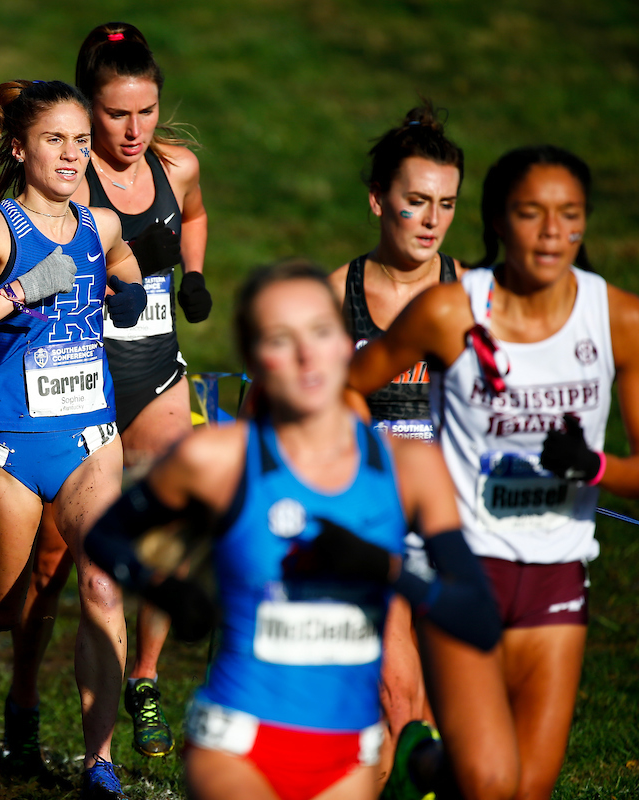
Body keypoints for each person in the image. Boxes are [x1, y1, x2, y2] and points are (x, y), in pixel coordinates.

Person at [84, 259, 520, 800]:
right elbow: (105, 536)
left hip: (349, 755)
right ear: (254, 360)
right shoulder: (216, 458)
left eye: (320, 332)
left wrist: (386, 570)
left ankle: (409, 762)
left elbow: (477, 619)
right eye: (280, 339)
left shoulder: (409, 467)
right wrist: (168, 592)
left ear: (347, 343)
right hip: (236, 745)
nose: (307, 355)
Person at [350, 145, 639, 800]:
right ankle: (426, 758)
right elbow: (348, 389)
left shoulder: (618, 318)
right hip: (464, 563)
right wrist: (399, 459)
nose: (552, 232)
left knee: (527, 788)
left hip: (558, 573)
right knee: (489, 781)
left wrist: (595, 466)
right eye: (531, 213)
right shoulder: (451, 310)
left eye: (570, 214)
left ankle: (419, 764)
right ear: (498, 222)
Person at [0, 78, 148, 800]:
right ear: (21, 147)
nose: (74, 154)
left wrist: (132, 286)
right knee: (5, 606)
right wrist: (18, 292)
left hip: (89, 437)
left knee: (102, 583)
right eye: (56, 140)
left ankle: (98, 764)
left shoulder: (96, 223)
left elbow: (120, 254)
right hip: (11, 446)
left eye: (82, 141)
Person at [9, 21, 210, 762]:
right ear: (88, 108)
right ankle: (24, 692)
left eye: (147, 111)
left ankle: (147, 679)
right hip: (77, 386)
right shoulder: (62, 178)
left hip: (157, 372)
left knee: (174, 531)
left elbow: (193, 215)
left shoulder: (178, 166)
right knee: (53, 564)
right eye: (116, 113)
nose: (134, 130)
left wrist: (190, 274)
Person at [326, 102, 464, 788]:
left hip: (453, 524)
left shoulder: (472, 298)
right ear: (379, 199)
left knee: (436, 721)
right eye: (416, 202)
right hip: (367, 520)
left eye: (446, 204)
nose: (433, 219)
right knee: (394, 695)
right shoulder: (335, 295)